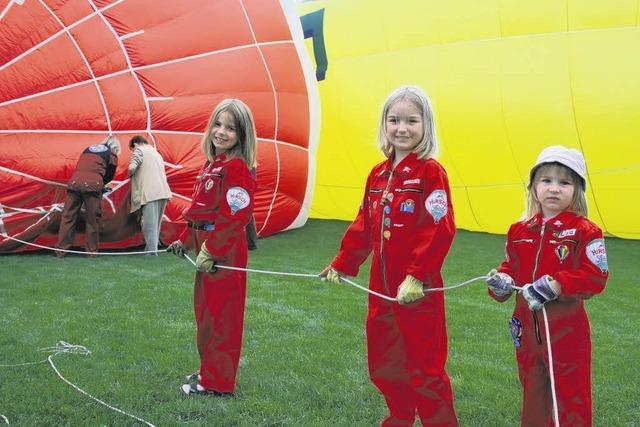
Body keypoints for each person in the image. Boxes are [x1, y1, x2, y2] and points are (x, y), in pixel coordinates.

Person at [320, 86, 459, 426]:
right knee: (385, 364)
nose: (402, 128)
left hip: (417, 292)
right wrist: (343, 263)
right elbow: (363, 224)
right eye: (394, 120)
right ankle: (398, 418)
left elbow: (439, 228)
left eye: (412, 120)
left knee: (425, 369)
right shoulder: (377, 175)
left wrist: (417, 276)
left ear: (426, 125)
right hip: (380, 292)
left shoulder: (431, 172)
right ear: (384, 125)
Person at [486, 145, 608, 426]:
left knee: (571, 398)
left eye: (564, 182)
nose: (554, 188)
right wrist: (501, 283)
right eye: (547, 180)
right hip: (526, 333)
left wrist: (557, 285)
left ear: (577, 189)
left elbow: (595, 277)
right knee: (533, 394)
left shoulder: (585, 231)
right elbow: (510, 269)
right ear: (533, 186)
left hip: (567, 334)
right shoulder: (518, 231)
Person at [167, 99, 257, 396]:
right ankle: (209, 370)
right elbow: (199, 212)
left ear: (242, 136)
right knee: (206, 316)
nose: (221, 132)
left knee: (222, 318)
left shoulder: (237, 168)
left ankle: (218, 383)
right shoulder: (213, 165)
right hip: (206, 247)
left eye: (230, 128)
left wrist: (211, 250)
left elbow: (234, 216)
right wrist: (184, 239)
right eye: (218, 125)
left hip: (224, 252)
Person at [55, 135, 120, 257]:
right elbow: (109, 176)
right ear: (115, 147)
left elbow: (82, 166)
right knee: (92, 220)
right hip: (92, 186)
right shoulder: (111, 154)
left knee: (68, 217)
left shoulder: (87, 149)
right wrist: (102, 185)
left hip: (74, 183)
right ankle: (91, 252)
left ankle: (61, 250)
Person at [127, 135, 172, 255]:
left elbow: (132, 167)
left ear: (135, 144)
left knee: (149, 225)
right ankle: (151, 249)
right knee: (156, 225)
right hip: (163, 191)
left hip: (150, 192)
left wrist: (130, 173)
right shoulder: (156, 153)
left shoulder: (139, 150)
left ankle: (152, 253)